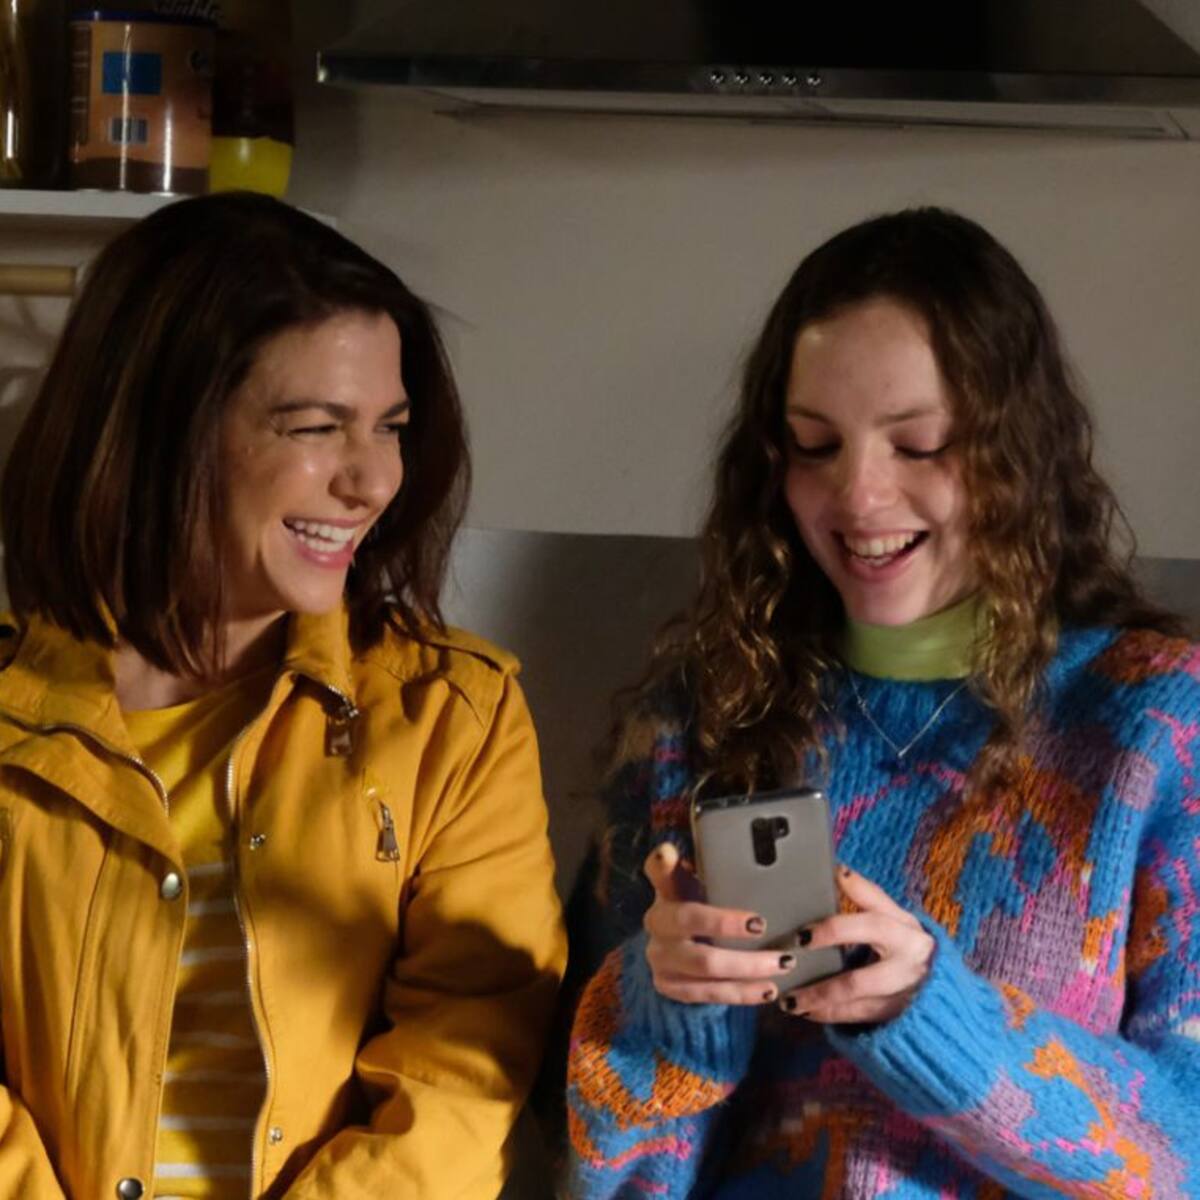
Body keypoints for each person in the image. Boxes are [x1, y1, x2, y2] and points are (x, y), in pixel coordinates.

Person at [564, 207, 1200, 1197]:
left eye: (920, 444)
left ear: (1018, 453)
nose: (858, 497)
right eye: (814, 445)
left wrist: (928, 1012)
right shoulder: (698, 713)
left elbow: (1186, 1150)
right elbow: (601, 1166)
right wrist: (668, 1003)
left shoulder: (1155, 723)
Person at [0, 192, 565, 1199]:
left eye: (391, 428)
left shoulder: (453, 720)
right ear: (161, 431)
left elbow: (460, 1077)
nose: (372, 480)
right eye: (315, 427)